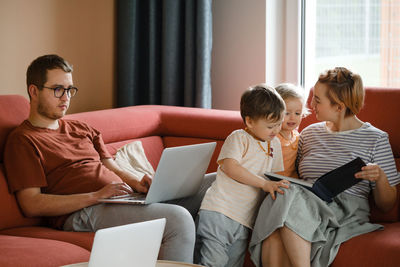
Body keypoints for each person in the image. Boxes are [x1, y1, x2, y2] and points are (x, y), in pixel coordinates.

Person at [3, 54, 213, 263]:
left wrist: (137, 181)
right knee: (178, 218)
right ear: (34, 91)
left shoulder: (81, 128)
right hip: (84, 211)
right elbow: (32, 204)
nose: (66, 97)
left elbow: (112, 167)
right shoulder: (23, 140)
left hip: (120, 199)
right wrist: (95, 196)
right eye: (58, 89)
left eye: (70, 90)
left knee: (214, 183)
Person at [249, 67, 400, 267]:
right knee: (278, 217)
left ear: (339, 106)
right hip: (304, 202)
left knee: (286, 202)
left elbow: (387, 205)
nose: (311, 105)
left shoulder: (376, 139)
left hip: (345, 209)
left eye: (317, 100)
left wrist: (380, 178)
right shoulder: (309, 134)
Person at [194, 84, 290, 267]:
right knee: (213, 263)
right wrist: (263, 184)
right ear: (250, 122)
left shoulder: (274, 144)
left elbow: (274, 176)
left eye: (279, 124)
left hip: (245, 220)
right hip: (219, 212)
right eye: (270, 126)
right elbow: (231, 167)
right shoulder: (239, 138)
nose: (276, 130)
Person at [275, 83, 310, 178]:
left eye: (297, 113)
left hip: (292, 181)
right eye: (287, 113)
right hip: (271, 180)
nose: (292, 118)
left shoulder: (297, 136)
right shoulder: (271, 137)